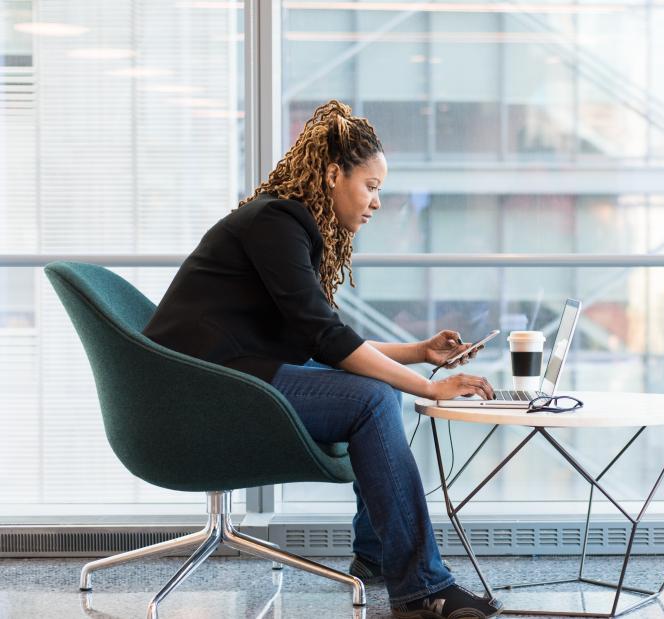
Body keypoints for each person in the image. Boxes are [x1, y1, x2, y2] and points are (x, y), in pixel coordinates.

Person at [141, 100, 502, 619]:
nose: (377, 202)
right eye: (371, 186)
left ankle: (378, 557)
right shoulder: (277, 221)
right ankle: (422, 588)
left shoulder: (283, 224)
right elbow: (328, 339)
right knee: (374, 397)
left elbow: (323, 339)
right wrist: (427, 385)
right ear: (334, 174)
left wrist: (419, 354)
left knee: (372, 389)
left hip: (222, 376)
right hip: (199, 391)